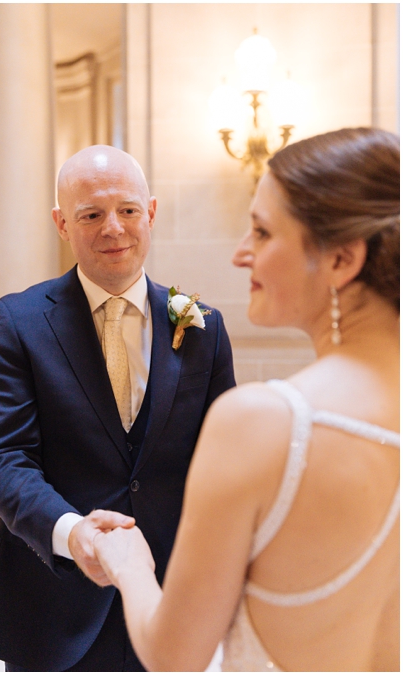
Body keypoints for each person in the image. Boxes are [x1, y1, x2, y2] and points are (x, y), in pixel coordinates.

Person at [91, 127, 400, 672]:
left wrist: (128, 563)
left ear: (341, 259)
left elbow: (174, 657)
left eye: (261, 232)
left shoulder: (265, 423)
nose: (240, 254)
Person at [0, 145, 236, 671]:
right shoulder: (16, 322)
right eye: (91, 214)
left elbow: (223, 463)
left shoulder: (204, 326)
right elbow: (0, 459)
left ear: (152, 212)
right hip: (52, 602)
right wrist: (73, 534)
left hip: (168, 602)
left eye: (128, 210)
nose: (113, 228)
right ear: (62, 224)